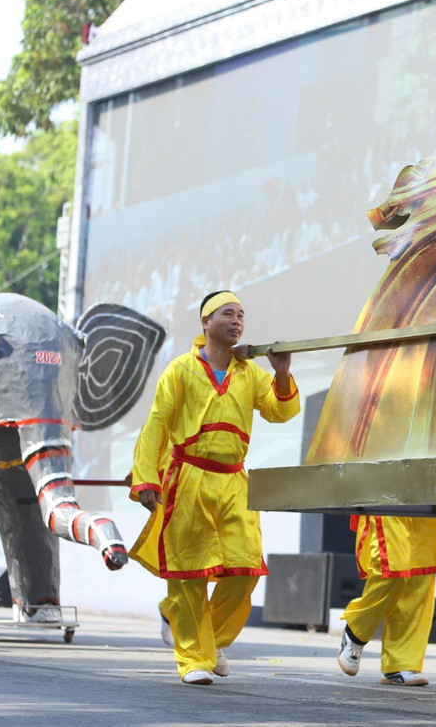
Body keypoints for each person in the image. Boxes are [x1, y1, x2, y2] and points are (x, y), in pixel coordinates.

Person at [130, 290, 299, 685]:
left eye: (241, 315)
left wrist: (281, 372)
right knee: (188, 573)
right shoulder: (180, 370)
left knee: (245, 569)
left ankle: (209, 639)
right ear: (206, 322)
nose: (237, 321)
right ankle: (194, 660)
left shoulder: (251, 372)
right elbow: (156, 425)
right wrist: (145, 479)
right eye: (228, 313)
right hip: (188, 479)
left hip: (234, 481)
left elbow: (280, 412)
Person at [336, 514, 436, 684]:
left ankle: (400, 664)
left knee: (421, 574)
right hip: (390, 495)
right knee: (392, 566)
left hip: (430, 497)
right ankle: (356, 631)